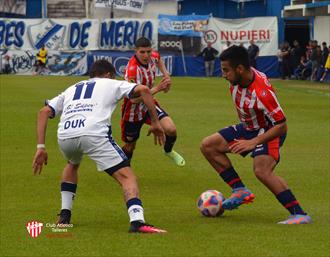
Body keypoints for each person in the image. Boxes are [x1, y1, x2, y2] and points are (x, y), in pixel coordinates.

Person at [32, 60, 168, 233]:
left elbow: (44, 112)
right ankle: (137, 221)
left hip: (66, 135)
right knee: (127, 177)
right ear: (109, 74)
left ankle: (65, 215)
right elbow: (144, 90)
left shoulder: (72, 87)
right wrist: (155, 122)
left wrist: (41, 147)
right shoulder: (110, 82)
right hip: (93, 133)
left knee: (72, 164)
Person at [200, 45, 311, 225]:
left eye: (226, 70)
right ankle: (239, 190)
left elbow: (281, 124)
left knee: (262, 171)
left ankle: (299, 214)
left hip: (269, 130)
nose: (223, 75)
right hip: (249, 127)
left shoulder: (261, 93)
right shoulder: (238, 79)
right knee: (208, 146)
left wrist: (254, 142)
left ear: (240, 69)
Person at [121, 37, 185, 166]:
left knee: (171, 129)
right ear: (136, 51)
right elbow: (134, 100)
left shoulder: (153, 56)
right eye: (142, 52)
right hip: (133, 111)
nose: (146, 55)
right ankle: (123, 169)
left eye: (148, 51)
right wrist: (158, 88)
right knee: (130, 146)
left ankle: (168, 151)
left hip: (149, 104)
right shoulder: (133, 71)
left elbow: (159, 59)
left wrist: (166, 76)